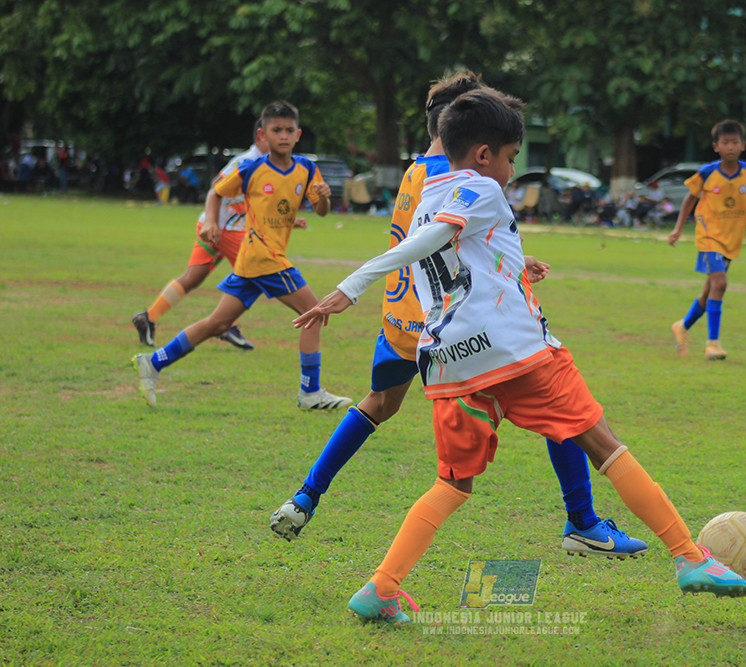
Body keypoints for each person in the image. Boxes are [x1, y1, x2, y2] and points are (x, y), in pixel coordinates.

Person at [294, 88, 746, 623]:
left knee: (452, 484)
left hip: (448, 363)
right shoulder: (482, 186)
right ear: (484, 154)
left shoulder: (427, 194)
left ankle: (381, 588)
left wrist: (512, 264)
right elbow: (440, 238)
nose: (512, 170)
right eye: (512, 158)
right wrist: (351, 286)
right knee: (603, 445)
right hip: (514, 354)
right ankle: (689, 556)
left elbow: (450, 255)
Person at [269, 73, 647, 560]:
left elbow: (431, 243)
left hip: (400, 317)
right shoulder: (463, 174)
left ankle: (306, 495)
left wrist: (514, 260)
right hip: (456, 323)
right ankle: (583, 521)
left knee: (378, 403)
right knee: (560, 407)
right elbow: (447, 239)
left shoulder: (415, 172)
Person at [130, 100, 351, 410]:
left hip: (251, 261)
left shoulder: (306, 169)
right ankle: (310, 392)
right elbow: (216, 192)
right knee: (314, 313)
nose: (283, 136)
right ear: (263, 134)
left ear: (298, 134)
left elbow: (322, 211)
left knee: (217, 324)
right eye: (276, 130)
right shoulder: (251, 168)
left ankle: (153, 362)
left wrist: (325, 199)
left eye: (289, 130)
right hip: (265, 258)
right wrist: (211, 222)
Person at [131, 122, 269, 350]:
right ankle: (226, 324)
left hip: (216, 226)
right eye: (275, 134)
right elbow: (216, 186)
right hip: (223, 229)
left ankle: (149, 317)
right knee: (255, 272)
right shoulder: (247, 161)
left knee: (193, 277)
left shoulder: (265, 163)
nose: (281, 141)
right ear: (259, 138)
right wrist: (214, 222)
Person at [667, 119, 746, 360]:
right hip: (709, 236)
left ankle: (683, 326)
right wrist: (678, 228)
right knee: (720, 283)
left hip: (732, 239)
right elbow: (690, 199)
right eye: (725, 142)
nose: (730, 147)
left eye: (735, 142)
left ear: (743, 145)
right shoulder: (707, 172)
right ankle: (712, 344)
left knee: (709, 291)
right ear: (716, 146)